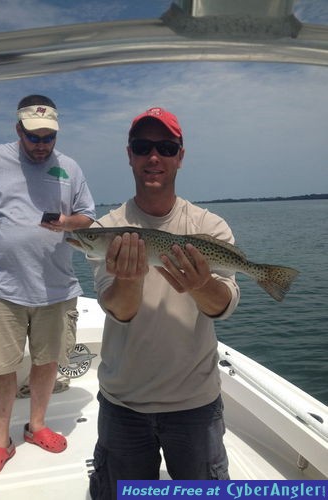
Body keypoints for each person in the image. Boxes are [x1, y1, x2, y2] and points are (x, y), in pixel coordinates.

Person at [88, 107, 240, 499]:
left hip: (195, 404)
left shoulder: (209, 227)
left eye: (166, 147)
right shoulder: (107, 230)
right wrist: (129, 278)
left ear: (180, 156)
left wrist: (202, 284)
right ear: (130, 155)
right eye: (143, 146)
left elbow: (221, 306)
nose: (153, 157)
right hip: (123, 405)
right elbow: (120, 310)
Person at [0, 95, 96, 481]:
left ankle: (36, 425)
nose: (41, 144)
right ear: (18, 130)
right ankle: (1, 442)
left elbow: (88, 216)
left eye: (48, 136)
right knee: (0, 368)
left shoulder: (69, 167)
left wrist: (67, 222)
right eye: (34, 137)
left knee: (47, 361)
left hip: (56, 288)